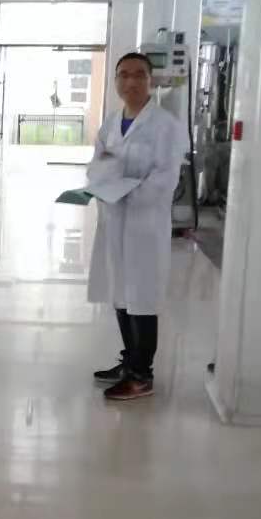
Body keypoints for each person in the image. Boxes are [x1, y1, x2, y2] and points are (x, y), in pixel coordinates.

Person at [87, 51, 185, 401]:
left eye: (139, 74)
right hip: (114, 220)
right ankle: (130, 361)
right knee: (120, 293)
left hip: (144, 224)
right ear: (116, 81)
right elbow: (98, 164)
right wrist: (99, 185)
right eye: (124, 74)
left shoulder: (165, 125)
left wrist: (127, 193)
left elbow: (166, 178)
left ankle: (142, 375)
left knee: (142, 297)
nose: (131, 81)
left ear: (150, 80)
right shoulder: (111, 123)